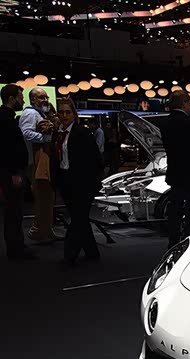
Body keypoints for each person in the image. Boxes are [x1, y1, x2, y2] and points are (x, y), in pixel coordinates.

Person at [53, 98, 103, 264]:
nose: (64, 115)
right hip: (66, 181)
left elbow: (95, 159)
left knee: (77, 219)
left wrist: (92, 181)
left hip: (83, 183)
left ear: (74, 114)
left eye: (68, 112)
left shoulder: (82, 133)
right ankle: (92, 252)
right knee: (79, 218)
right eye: (61, 112)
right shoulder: (58, 134)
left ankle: (69, 255)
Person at [160, 91, 190, 247]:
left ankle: (173, 241)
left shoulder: (165, 123)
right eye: (189, 102)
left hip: (174, 172)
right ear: (183, 103)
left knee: (175, 210)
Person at [19, 86, 57, 243]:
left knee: (47, 198)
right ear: (33, 99)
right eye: (41, 97)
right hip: (35, 163)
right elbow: (26, 133)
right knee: (42, 198)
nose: (46, 100)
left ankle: (46, 230)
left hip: (41, 161)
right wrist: (46, 138)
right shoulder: (30, 113)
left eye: (46, 97)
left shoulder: (39, 113)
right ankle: (37, 232)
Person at [0, 84, 34, 260]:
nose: (23, 101)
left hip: (12, 170)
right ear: (11, 99)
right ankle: (15, 249)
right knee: (14, 211)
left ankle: (17, 247)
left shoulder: (7, 117)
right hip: (11, 171)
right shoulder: (5, 120)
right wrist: (14, 172)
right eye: (21, 97)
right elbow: (6, 148)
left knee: (15, 211)